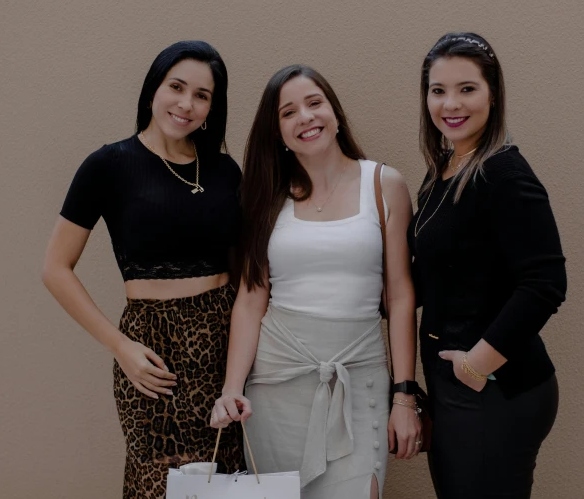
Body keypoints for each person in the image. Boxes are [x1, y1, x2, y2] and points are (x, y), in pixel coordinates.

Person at [41, 40, 245, 498]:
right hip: (152, 351)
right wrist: (120, 347)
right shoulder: (108, 165)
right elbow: (56, 268)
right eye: (176, 86)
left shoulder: (225, 171)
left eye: (202, 95)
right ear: (153, 88)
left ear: (213, 107)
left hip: (223, 345)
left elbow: (244, 271)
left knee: (226, 480)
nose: (185, 104)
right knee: (160, 483)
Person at [210, 64, 422, 499]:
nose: (305, 117)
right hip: (275, 384)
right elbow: (251, 299)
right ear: (278, 134)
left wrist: (405, 397)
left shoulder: (384, 184)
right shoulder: (267, 197)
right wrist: (231, 389)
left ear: (335, 113)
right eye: (288, 112)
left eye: (314, 103)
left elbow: (401, 297)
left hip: (358, 377)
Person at [409, 32, 566, 498]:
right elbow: (438, 274)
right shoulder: (445, 168)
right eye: (438, 90)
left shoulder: (504, 174)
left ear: (493, 94)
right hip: (458, 386)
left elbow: (545, 283)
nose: (450, 104)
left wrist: (476, 365)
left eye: (467, 88)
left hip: (494, 387)